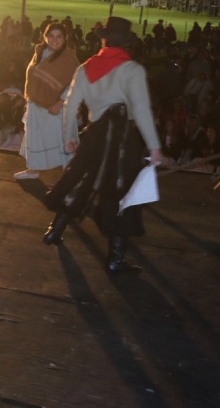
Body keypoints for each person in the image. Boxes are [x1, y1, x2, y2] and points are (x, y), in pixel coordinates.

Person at [42, 17, 165, 274]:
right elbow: (141, 110)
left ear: (103, 39)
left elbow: (71, 105)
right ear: (127, 42)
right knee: (121, 193)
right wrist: (154, 147)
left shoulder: (85, 68)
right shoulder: (133, 71)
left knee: (81, 179)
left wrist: (69, 136)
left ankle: (55, 231)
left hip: (96, 135)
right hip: (122, 141)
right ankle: (115, 260)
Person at [15, 23, 80, 179]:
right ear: (45, 37)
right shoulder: (40, 51)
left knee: (61, 140)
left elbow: (76, 82)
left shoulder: (69, 58)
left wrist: (60, 102)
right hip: (36, 104)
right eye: (51, 36)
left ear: (65, 39)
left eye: (59, 37)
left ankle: (69, 175)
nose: (54, 40)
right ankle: (33, 170)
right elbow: (32, 76)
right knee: (35, 137)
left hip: (56, 107)